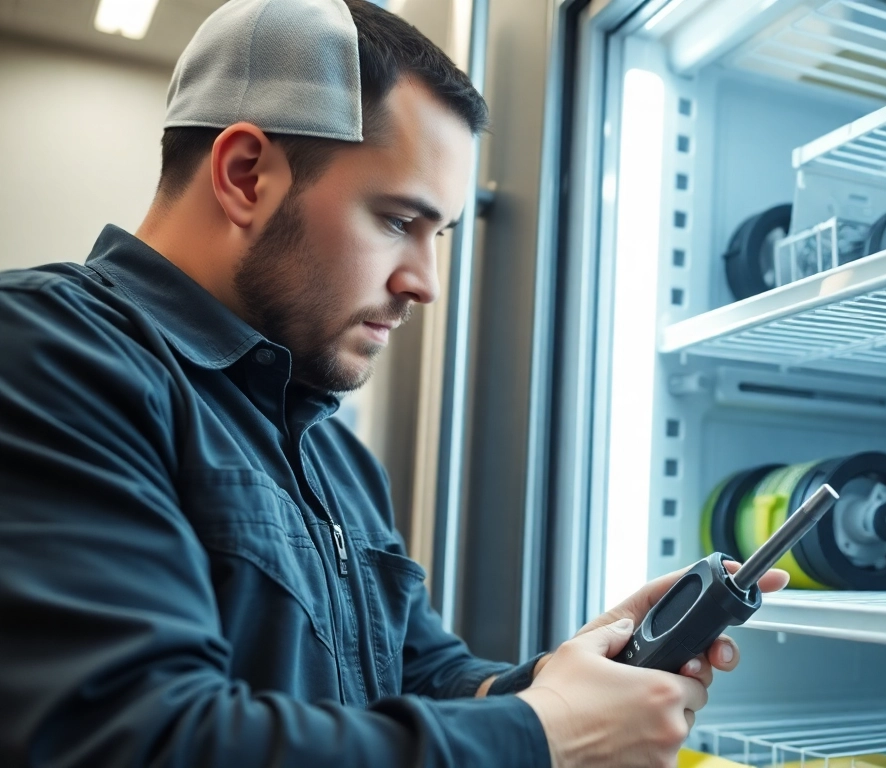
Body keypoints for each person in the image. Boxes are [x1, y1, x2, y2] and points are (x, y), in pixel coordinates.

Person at [0, 1, 789, 766]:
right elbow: (124, 736)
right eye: (395, 221)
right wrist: (546, 737)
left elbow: (418, 677)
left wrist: (556, 685)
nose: (426, 284)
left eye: (438, 233)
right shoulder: (45, 351)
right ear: (245, 175)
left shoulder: (332, 452)